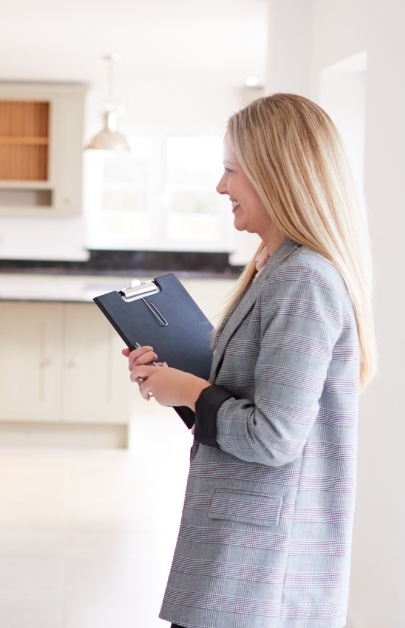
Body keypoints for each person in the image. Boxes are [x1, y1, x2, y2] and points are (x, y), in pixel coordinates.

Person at [124, 93, 377, 628]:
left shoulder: (302, 279)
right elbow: (248, 404)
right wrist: (175, 378)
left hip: (259, 577)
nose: (221, 187)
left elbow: (273, 436)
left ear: (277, 175)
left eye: (231, 171)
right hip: (242, 564)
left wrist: (189, 390)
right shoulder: (276, 267)